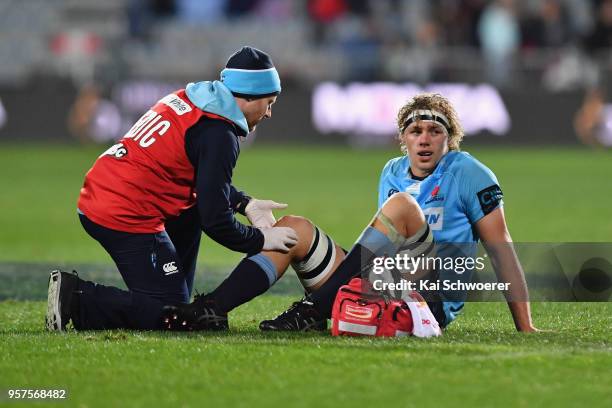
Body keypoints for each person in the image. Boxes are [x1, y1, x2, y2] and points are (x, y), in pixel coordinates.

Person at [164, 92, 538, 333]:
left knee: (402, 207)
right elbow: (380, 251)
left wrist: (526, 328)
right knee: (295, 229)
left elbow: (500, 248)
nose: (424, 138)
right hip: (385, 284)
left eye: (434, 131)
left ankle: (313, 309)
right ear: (403, 138)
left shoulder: (469, 172)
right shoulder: (391, 171)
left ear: (449, 139)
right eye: (415, 130)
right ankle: (212, 309)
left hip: (430, 300)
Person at [46, 46, 299, 331]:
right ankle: (77, 297)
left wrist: (245, 203)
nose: (269, 113)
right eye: (270, 102)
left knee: (191, 212)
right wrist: (261, 240)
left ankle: (168, 290)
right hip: (123, 210)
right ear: (251, 95)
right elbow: (217, 222)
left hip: (109, 188)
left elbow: (197, 179)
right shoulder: (220, 134)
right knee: (174, 315)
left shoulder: (192, 99)